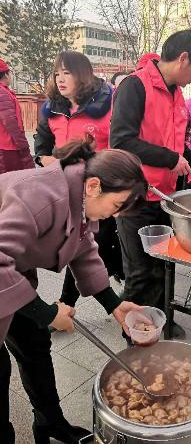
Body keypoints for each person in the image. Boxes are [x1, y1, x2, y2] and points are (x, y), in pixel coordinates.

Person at [0, 137, 148, 444]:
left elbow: (83, 246)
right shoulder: (38, 196)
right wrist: (48, 313)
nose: (116, 215)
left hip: (15, 272)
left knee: (34, 346)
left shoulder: (77, 191)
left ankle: (50, 424)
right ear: (95, 186)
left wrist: (114, 304)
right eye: (117, 205)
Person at [110, 30, 191, 340]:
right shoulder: (135, 85)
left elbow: (180, 148)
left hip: (165, 197)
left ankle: (159, 324)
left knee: (162, 267)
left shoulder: (175, 95)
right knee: (139, 273)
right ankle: (134, 333)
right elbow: (122, 141)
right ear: (183, 58)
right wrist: (170, 159)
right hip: (136, 198)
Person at [34, 50, 124, 308]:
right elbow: (41, 143)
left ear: (83, 75)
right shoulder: (52, 107)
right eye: (57, 73)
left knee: (90, 244)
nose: (60, 79)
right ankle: (115, 282)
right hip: (68, 188)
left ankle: (67, 303)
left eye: (67, 73)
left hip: (101, 189)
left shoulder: (109, 104)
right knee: (84, 244)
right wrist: (43, 159)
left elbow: (121, 146)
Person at [0, 59, 34, 174]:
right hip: (8, 147)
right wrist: (23, 145)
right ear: (5, 74)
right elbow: (10, 123)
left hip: (6, 146)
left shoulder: (5, 91)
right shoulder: (2, 93)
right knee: (12, 182)